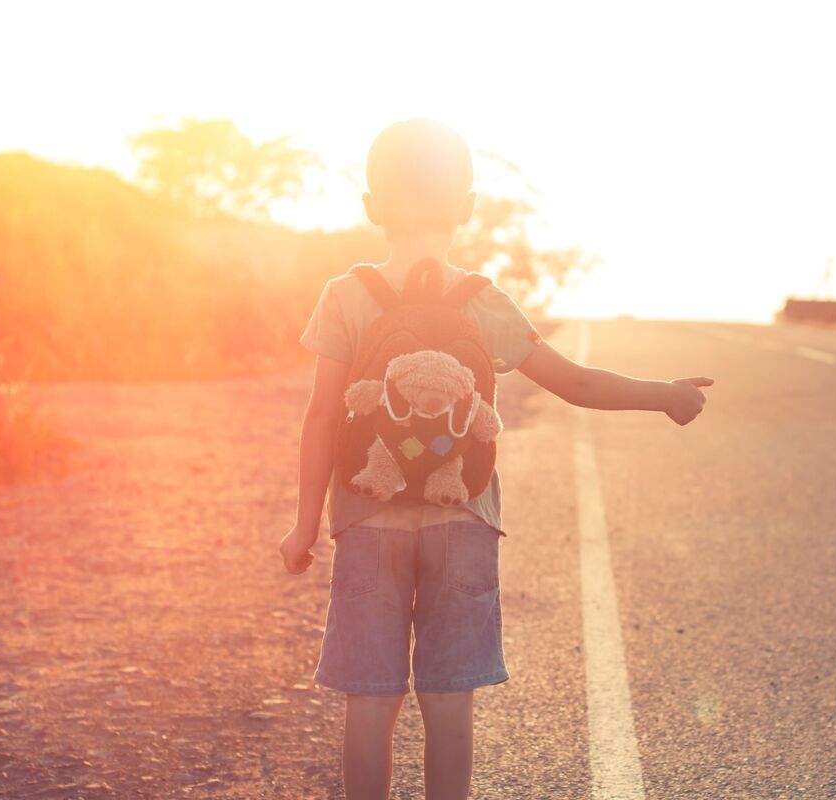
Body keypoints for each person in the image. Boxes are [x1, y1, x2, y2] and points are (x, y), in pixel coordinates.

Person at [279, 118, 712, 800]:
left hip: (368, 519)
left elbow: (322, 417)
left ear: (370, 208)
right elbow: (575, 383)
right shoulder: (484, 302)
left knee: (370, 700)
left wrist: (305, 525)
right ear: (468, 207)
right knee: (449, 700)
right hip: (464, 520)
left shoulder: (346, 295)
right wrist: (664, 395)